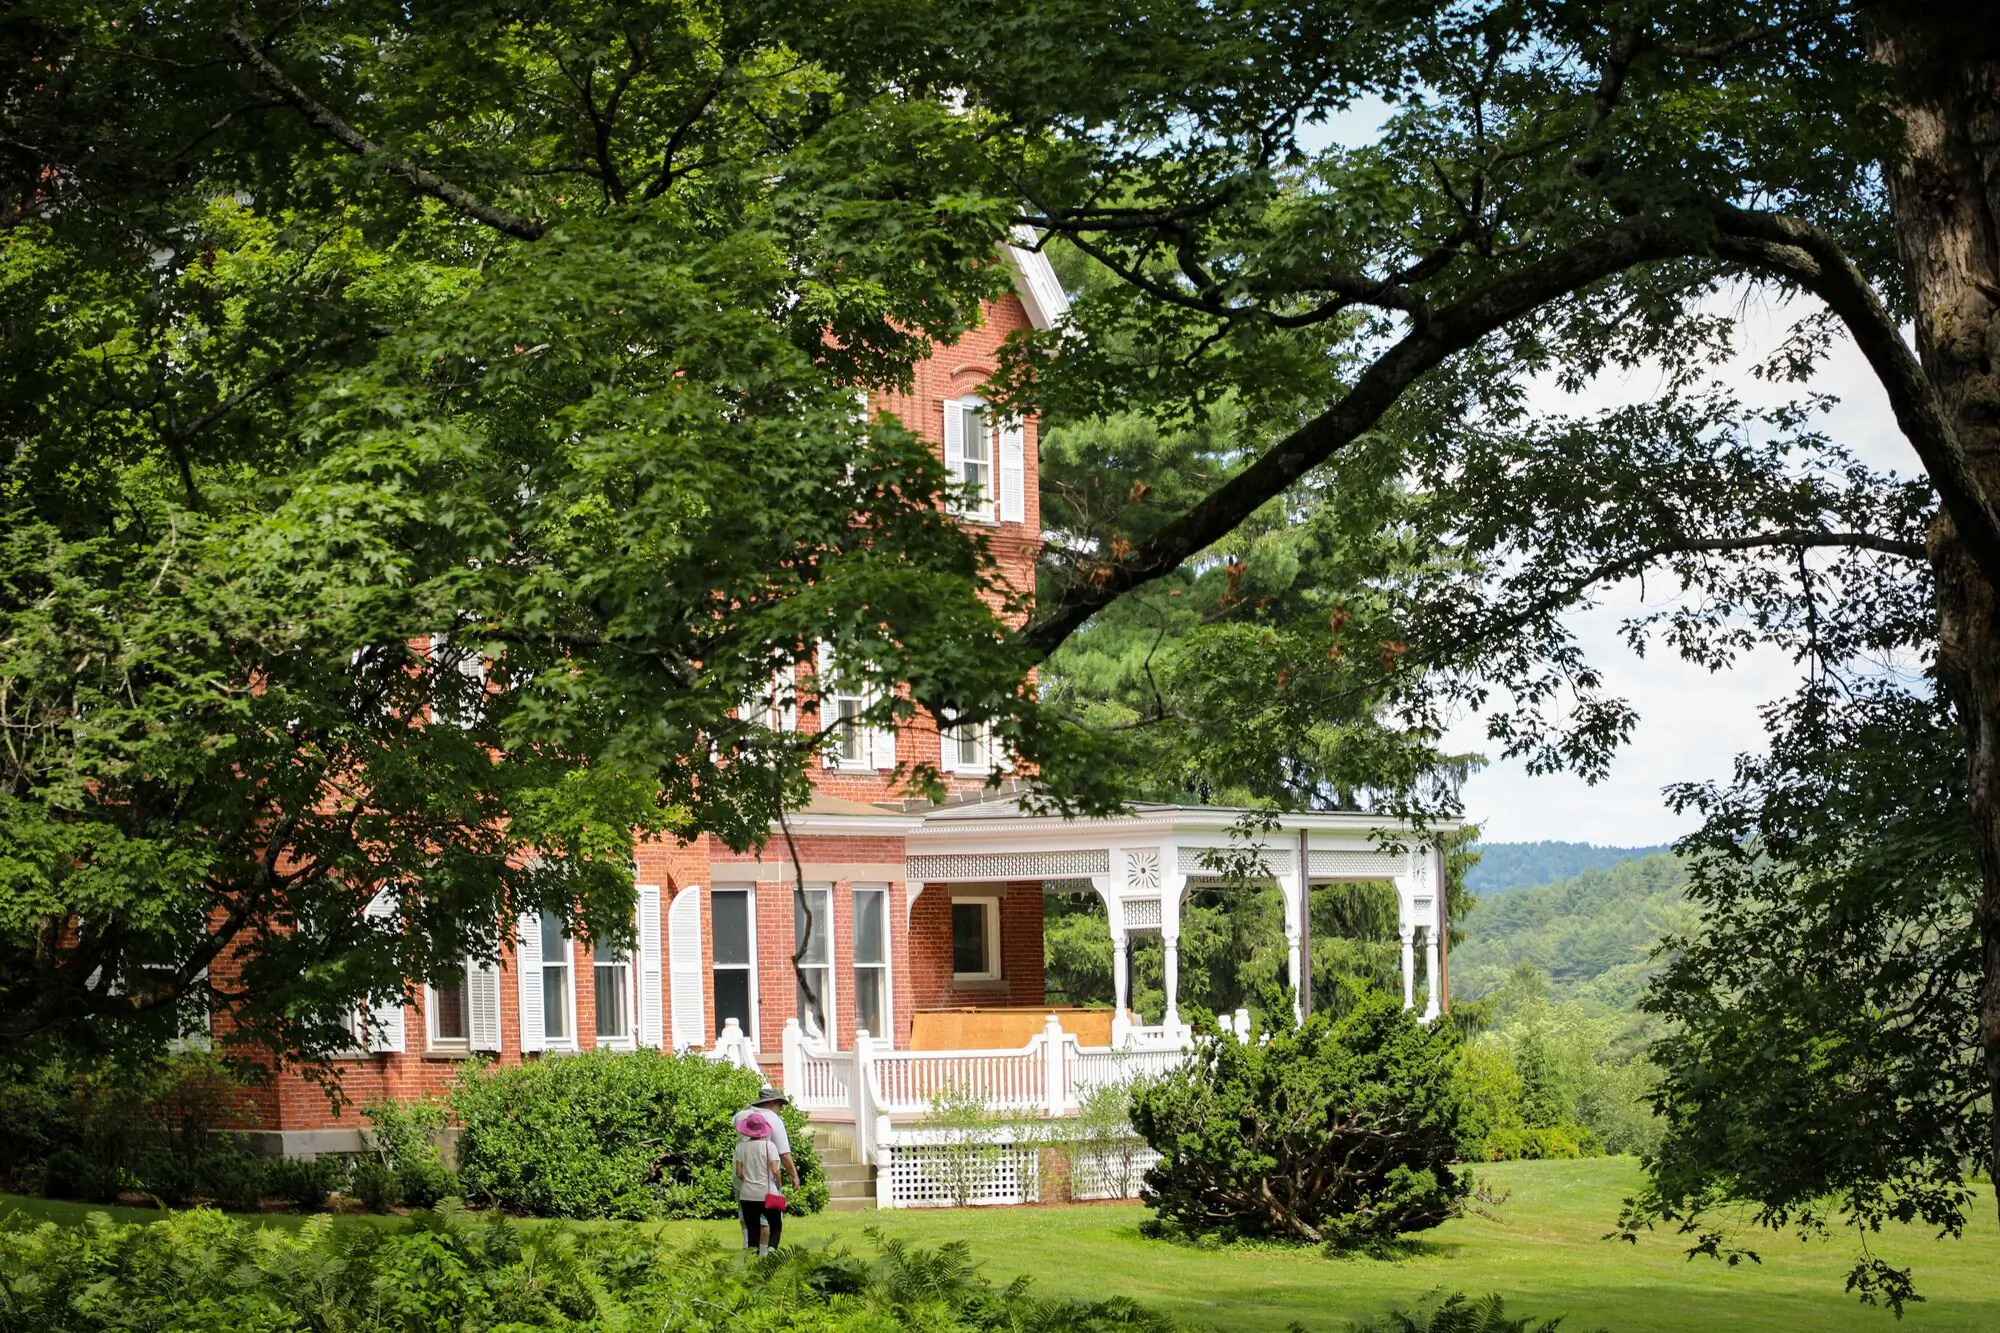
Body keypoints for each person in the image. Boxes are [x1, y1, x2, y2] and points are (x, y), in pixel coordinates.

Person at [733, 1084, 802, 1196]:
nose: (780, 1110)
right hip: (764, 1182)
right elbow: (784, 1153)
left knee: (745, 1212)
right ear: (772, 1102)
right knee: (769, 1211)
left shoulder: (740, 1116)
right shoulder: (773, 1119)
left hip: (742, 1182)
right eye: (780, 1106)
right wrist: (794, 1176)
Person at [733, 1111, 785, 1254]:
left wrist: (748, 1181)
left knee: (752, 1232)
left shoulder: (741, 1147)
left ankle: (752, 1263)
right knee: (776, 1226)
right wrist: (778, 1183)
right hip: (767, 1194)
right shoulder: (770, 1146)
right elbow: (775, 1171)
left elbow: (738, 1172)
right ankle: (772, 1249)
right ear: (763, 1130)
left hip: (747, 1195)